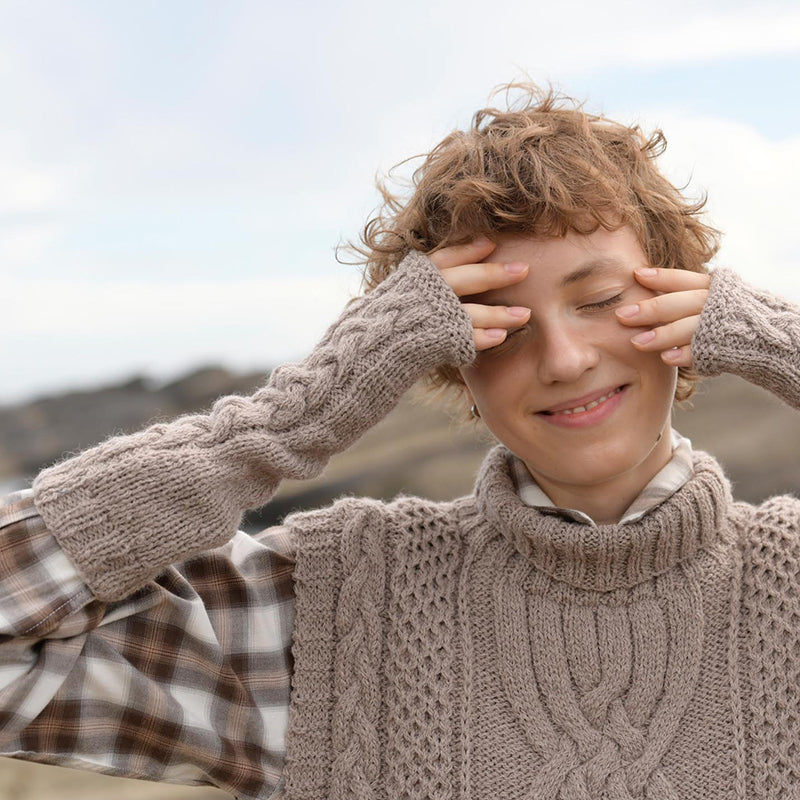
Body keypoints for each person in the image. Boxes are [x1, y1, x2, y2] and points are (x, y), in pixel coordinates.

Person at [1, 82, 799, 800]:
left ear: (690, 306)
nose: (563, 359)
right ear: (448, 359)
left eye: (601, 299)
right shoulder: (330, 607)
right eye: (503, 328)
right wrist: (290, 420)